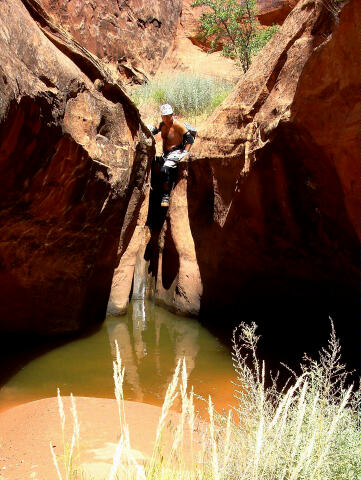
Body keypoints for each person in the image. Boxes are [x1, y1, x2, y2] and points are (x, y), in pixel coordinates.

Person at [149, 104, 194, 207]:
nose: (166, 118)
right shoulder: (162, 125)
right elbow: (155, 130)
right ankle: (156, 190)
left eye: (168, 116)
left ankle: (166, 195)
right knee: (154, 163)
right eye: (164, 116)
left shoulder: (177, 125)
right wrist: (149, 128)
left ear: (172, 115)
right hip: (165, 153)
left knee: (164, 170)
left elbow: (189, 138)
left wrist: (185, 152)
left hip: (176, 152)